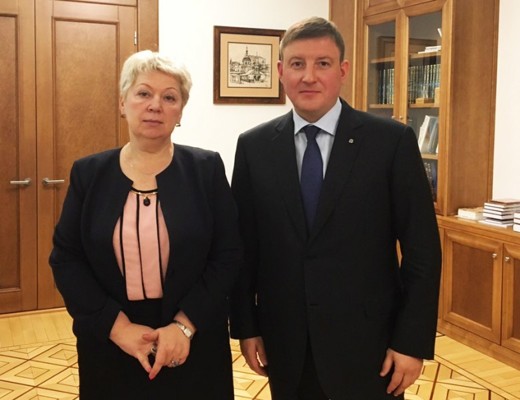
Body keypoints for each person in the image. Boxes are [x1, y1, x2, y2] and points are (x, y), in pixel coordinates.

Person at [229, 16, 442, 400]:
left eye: (322, 63)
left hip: (370, 346)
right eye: (297, 64)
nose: (309, 76)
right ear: (280, 71)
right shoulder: (254, 147)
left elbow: (422, 251)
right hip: (285, 342)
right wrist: (247, 327)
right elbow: (243, 248)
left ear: (342, 71)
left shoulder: (390, 142)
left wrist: (411, 341)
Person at [49, 50, 241, 399]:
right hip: (111, 341)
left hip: (194, 340)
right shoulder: (89, 173)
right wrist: (117, 327)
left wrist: (184, 327)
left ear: (180, 111)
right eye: (143, 93)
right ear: (123, 103)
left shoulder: (206, 169)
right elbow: (66, 258)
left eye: (169, 97)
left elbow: (227, 255)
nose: (155, 105)